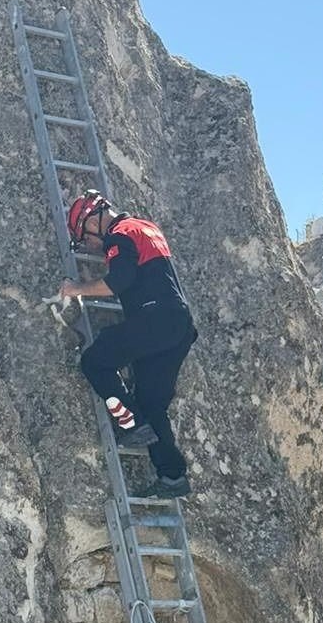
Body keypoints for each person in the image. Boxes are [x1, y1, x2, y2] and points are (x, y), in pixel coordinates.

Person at [59, 189, 198, 498]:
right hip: (179, 325)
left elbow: (118, 281)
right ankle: (173, 476)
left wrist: (76, 289)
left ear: (94, 220)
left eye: (85, 237)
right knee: (152, 402)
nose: (90, 247)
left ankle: (130, 423)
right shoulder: (146, 227)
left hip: (155, 319)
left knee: (96, 361)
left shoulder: (121, 234)